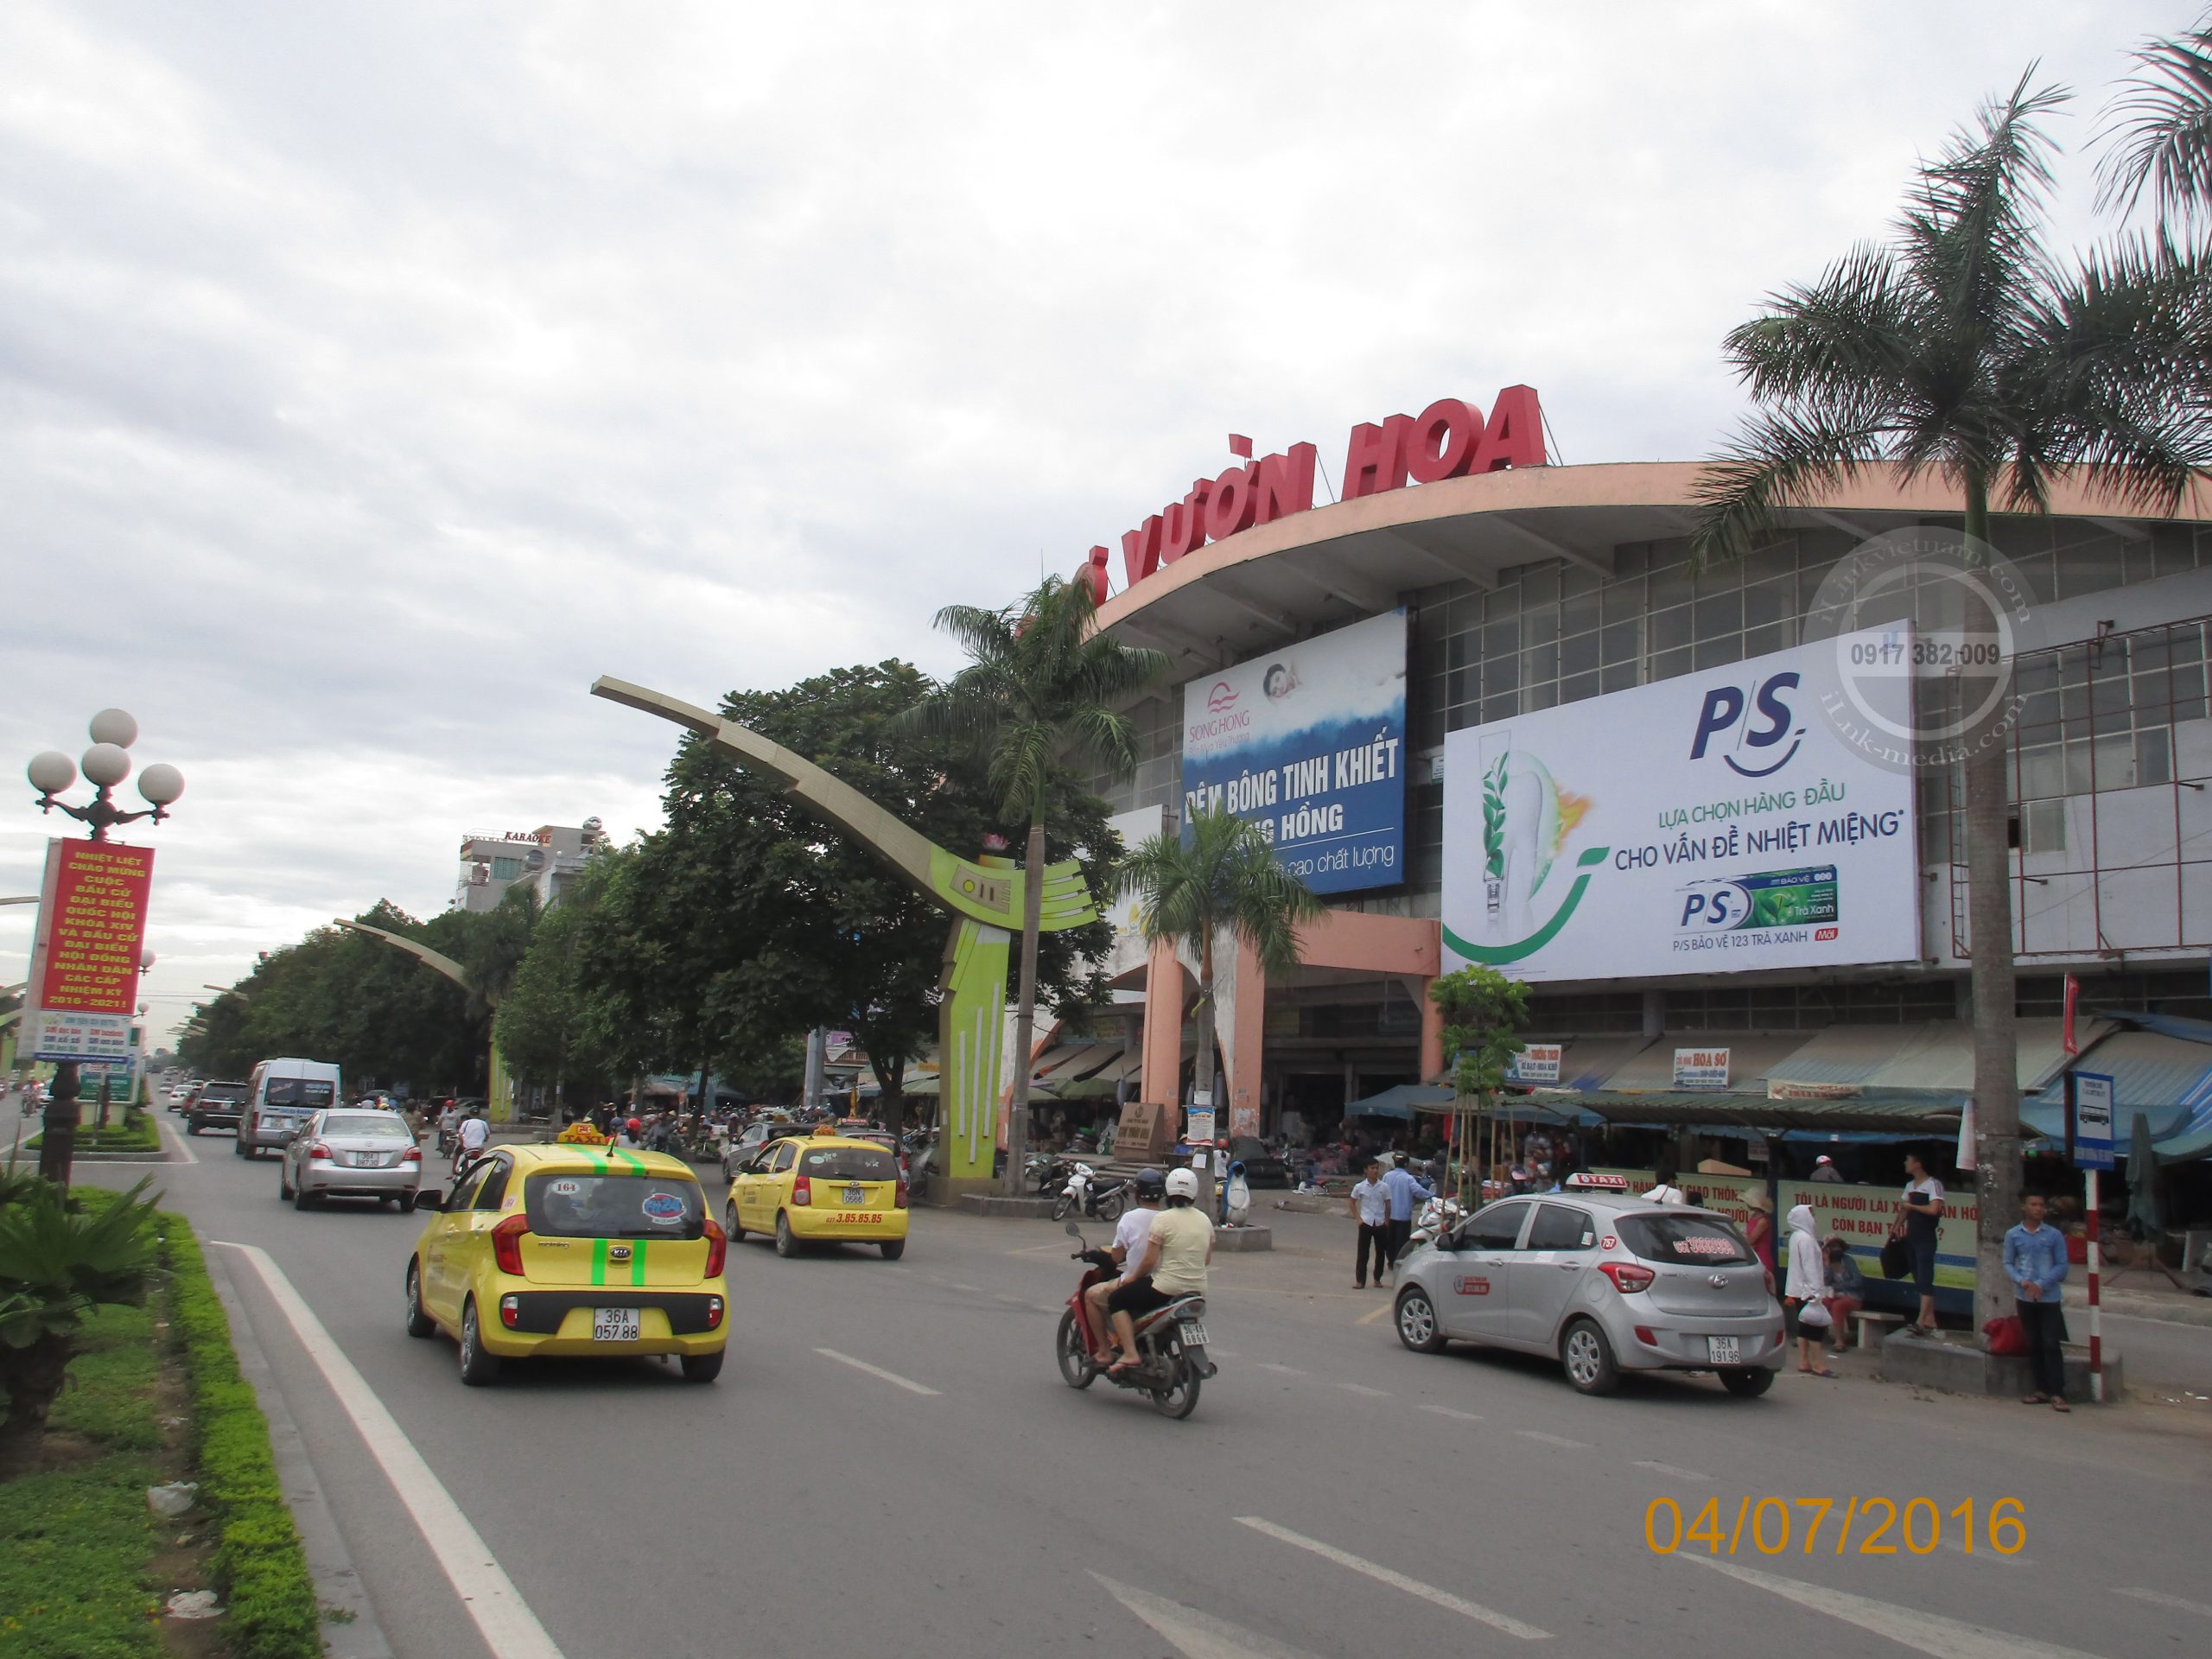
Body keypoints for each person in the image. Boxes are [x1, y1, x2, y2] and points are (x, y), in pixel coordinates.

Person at [1106, 1166, 1213, 1376]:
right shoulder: (1205, 1220)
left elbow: (1149, 1261)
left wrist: (1132, 1279)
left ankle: (1130, 1353)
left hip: (1166, 1287)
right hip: (1198, 1290)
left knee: (1117, 1300)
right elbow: (1207, 1259)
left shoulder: (1163, 1219)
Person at [1087, 1169, 1164, 1363]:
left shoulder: (1130, 1218)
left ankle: (1105, 1350)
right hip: (1165, 1281)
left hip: (1139, 1282)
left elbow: (1117, 1255)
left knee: (1091, 1295)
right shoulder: (1167, 1218)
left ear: (1137, 1193)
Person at [2005, 1192, 2070, 1411]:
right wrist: (2022, 1282)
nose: (2038, 1209)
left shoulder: (2054, 1235)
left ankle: (2058, 1392)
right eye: (2033, 1204)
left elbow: (2061, 1266)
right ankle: (2041, 1388)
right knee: (2033, 1343)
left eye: (2041, 1205)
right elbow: (2008, 1263)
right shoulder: (2013, 1235)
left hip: (2049, 1297)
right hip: (2024, 1297)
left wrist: (2041, 1284)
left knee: (2051, 1343)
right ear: (2024, 1207)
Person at [1782, 1204, 1836, 1376]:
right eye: (1811, 1215)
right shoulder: (1806, 1239)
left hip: (1797, 1289)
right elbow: (1810, 1266)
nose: (1814, 1219)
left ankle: (1804, 1361)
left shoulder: (1796, 1237)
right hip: (1808, 1290)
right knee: (1815, 1329)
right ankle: (1818, 1364)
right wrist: (1815, 1291)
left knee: (1804, 1326)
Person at [1896, 1153, 1946, 1337]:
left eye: (1908, 1160)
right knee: (1918, 1277)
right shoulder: (1910, 1186)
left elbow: (1934, 1209)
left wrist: (1913, 1208)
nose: (1905, 1163)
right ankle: (1930, 1319)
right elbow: (1903, 1210)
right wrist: (1896, 1228)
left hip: (1926, 1237)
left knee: (1925, 1278)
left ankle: (1921, 1320)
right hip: (1912, 1236)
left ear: (1918, 1164)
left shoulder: (1933, 1184)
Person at [1380, 1154, 1433, 1280]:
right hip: (1403, 1216)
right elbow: (1419, 1192)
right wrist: (1432, 1195)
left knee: (1389, 1239)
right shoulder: (1408, 1178)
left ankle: (1390, 1260)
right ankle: (1397, 1262)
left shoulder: (1387, 1176)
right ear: (1406, 1165)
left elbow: (1382, 1191)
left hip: (1389, 1214)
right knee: (1401, 1241)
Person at [1348, 1159, 1390, 1287]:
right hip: (1366, 1222)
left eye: (1376, 1168)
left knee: (1380, 1253)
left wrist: (1387, 1221)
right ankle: (1360, 1280)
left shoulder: (1384, 1187)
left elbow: (1388, 1205)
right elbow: (1352, 1202)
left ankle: (1377, 1278)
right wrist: (1358, 1219)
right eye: (1372, 1168)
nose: (1375, 1171)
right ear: (1366, 1170)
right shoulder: (1359, 1187)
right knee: (1363, 1253)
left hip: (1380, 1222)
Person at [1821, 1236, 1864, 1351]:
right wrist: (1827, 1263)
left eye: (1837, 1246)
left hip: (1852, 1296)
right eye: (1832, 1247)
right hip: (1835, 1295)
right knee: (1821, 1302)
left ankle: (1839, 1341)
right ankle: (1814, 1337)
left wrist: (1840, 1286)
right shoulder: (1827, 1263)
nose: (1836, 1249)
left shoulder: (1848, 1261)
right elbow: (1825, 1281)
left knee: (1837, 1306)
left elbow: (1857, 1282)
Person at [1743, 1190, 1776, 1290]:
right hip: (1754, 1254)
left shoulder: (1763, 1221)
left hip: (1762, 1257)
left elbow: (1751, 1240)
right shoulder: (1754, 1217)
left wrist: (1742, 1237)